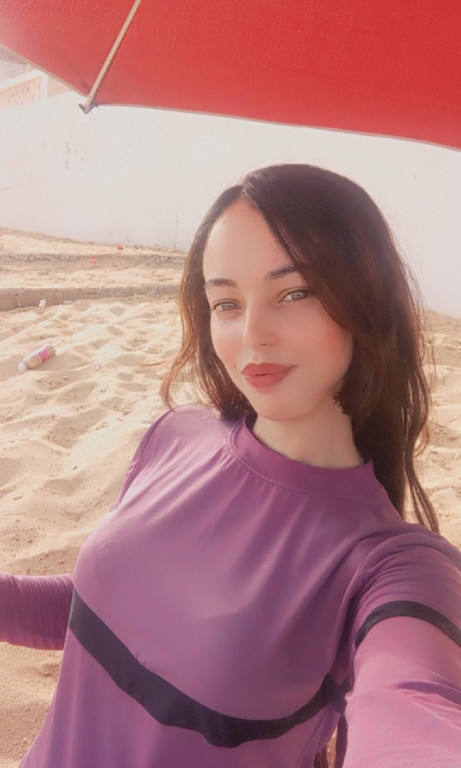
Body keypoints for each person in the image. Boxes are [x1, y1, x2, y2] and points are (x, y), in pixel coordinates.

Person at [1, 164, 460, 768]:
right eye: (226, 302)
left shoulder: (388, 564)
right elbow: (102, 609)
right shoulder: (175, 435)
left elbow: (413, 709)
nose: (252, 334)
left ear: (367, 298)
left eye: (294, 293)